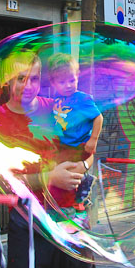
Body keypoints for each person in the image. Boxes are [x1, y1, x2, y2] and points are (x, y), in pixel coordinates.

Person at [0, 52, 96, 268]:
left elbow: (87, 150)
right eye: (20, 78)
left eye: (34, 77)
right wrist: (49, 178)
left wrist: (82, 166)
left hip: (70, 220)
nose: (28, 85)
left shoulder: (57, 108)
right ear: (7, 82)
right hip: (29, 226)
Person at [47, 52, 103, 216]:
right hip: (63, 145)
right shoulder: (57, 99)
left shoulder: (82, 99)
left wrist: (93, 139)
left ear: (78, 76)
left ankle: (84, 189)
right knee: (60, 173)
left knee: (70, 173)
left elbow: (98, 117)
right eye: (62, 82)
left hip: (78, 145)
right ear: (53, 82)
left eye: (72, 80)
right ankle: (75, 197)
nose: (68, 85)